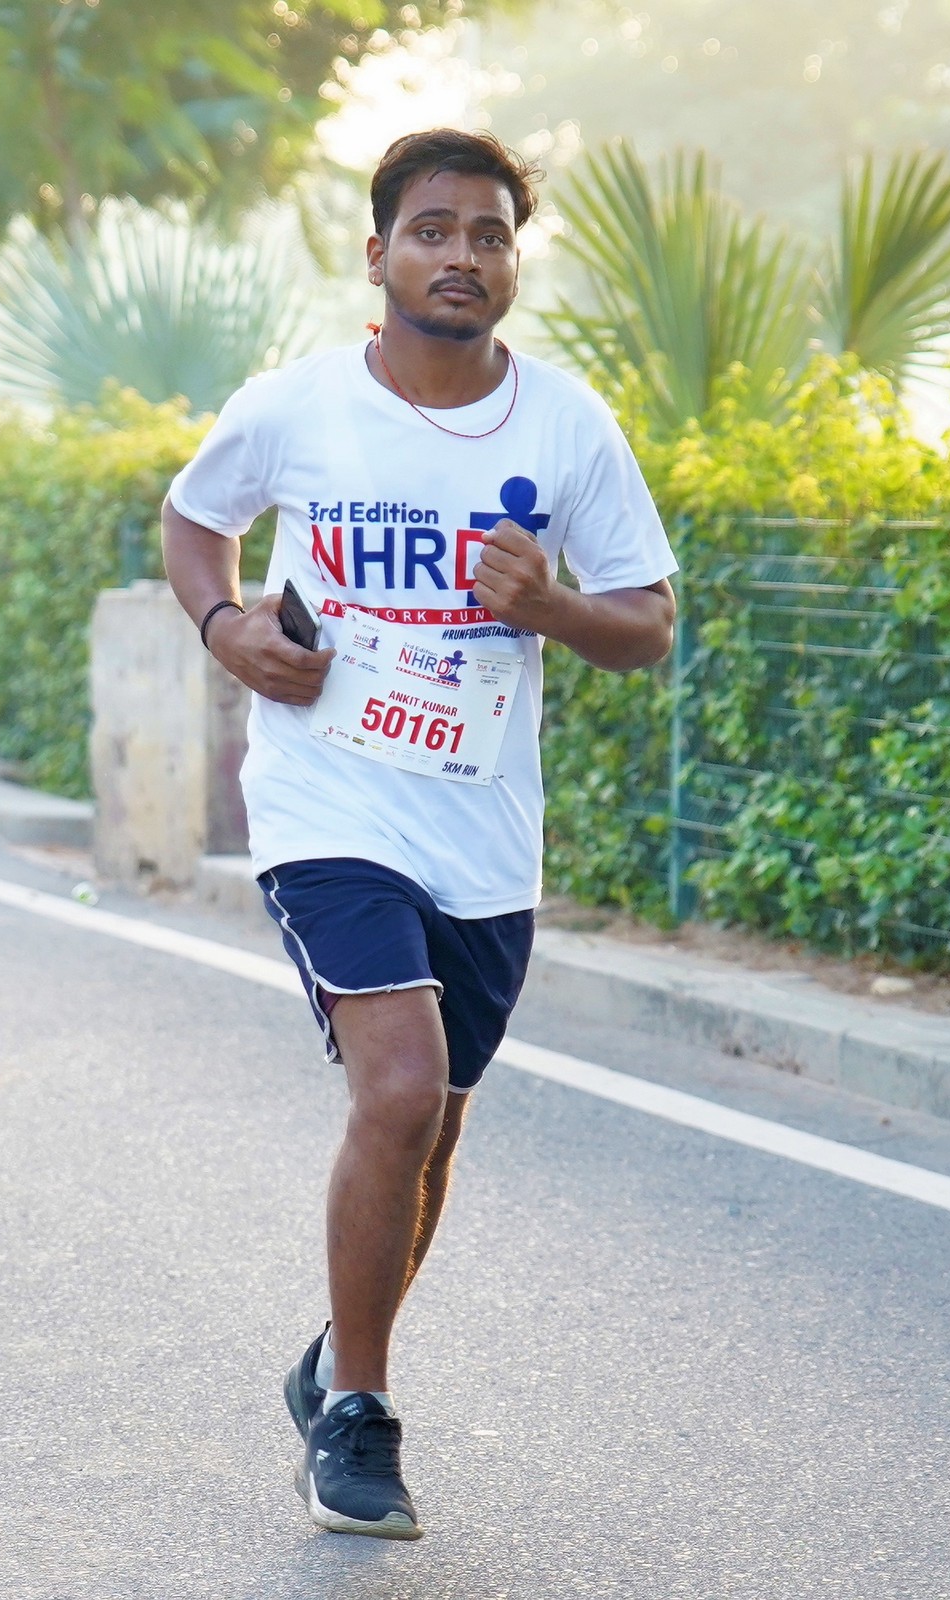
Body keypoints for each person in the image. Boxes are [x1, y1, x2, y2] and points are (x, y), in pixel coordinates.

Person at [162, 129, 677, 1539]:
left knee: (434, 1128)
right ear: (377, 252)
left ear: (514, 262)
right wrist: (225, 626)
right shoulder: (297, 405)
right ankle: (361, 1416)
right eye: (434, 230)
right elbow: (194, 520)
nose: (462, 255)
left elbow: (646, 622)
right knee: (397, 1091)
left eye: (490, 234)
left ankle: (339, 1347)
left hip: (482, 829)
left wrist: (551, 608)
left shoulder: (565, 426)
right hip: (325, 802)